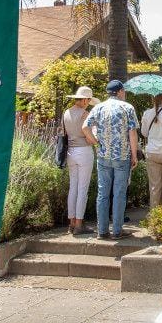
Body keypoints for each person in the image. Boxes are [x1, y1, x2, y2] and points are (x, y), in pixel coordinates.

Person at [82, 79, 139, 240]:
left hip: (103, 156)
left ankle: (102, 231)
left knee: (103, 193)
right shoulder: (127, 107)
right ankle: (117, 231)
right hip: (122, 156)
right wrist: (134, 155)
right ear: (120, 91)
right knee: (119, 193)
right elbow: (132, 133)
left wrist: (96, 143)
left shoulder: (98, 107)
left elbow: (85, 127)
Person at [63, 86, 100, 235]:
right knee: (82, 189)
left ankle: (71, 223)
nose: (88, 103)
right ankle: (79, 223)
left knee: (73, 187)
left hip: (70, 151)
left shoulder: (66, 113)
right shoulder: (86, 114)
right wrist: (96, 141)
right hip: (84, 151)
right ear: (85, 100)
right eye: (88, 100)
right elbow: (90, 135)